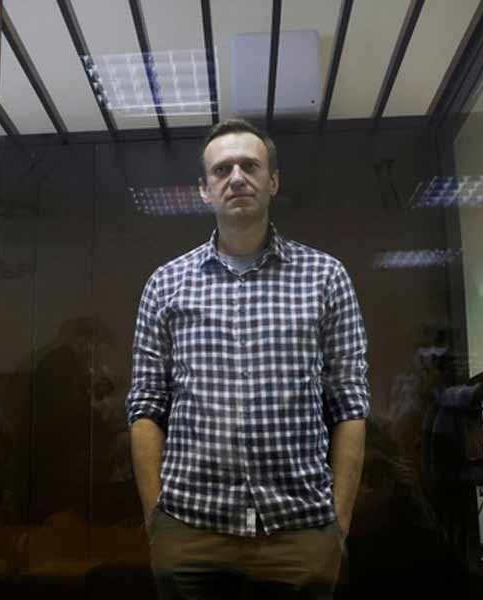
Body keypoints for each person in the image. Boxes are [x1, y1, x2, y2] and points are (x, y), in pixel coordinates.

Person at [126, 119, 369, 599]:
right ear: (204, 190)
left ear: (272, 181)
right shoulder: (165, 284)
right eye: (222, 169)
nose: (236, 177)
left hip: (299, 532)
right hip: (191, 531)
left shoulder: (325, 278)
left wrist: (337, 524)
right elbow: (146, 407)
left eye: (250, 166)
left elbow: (350, 405)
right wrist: (158, 522)